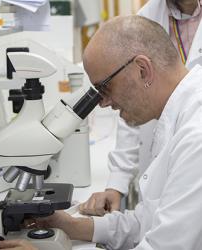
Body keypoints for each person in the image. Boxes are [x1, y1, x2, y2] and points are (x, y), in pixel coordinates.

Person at [30, 15, 202, 249]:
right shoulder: (176, 116)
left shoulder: (195, 136)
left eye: (104, 87)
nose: (102, 103)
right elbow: (150, 222)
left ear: (142, 70)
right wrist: (72, 225)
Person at [79, 0, 202, 216]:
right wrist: (116, 183)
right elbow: (131, 102)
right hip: (161, 157)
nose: (105, 102)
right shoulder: (149, 15)